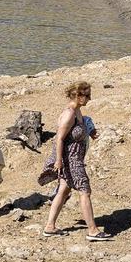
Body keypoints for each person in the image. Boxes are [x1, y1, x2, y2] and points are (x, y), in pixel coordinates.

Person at [43, 81, 106, 240]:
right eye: (87, 95)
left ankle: (50, 226)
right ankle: (92, 230)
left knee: (64, 190)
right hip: (70, 160)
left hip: (75, 157)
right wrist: (58, 161)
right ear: (78, 96)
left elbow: (80, 126)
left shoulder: (78, 112)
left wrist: (90, 131)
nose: (89, 99)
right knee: (85, 190)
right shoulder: (69, 114)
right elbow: (59, 139)